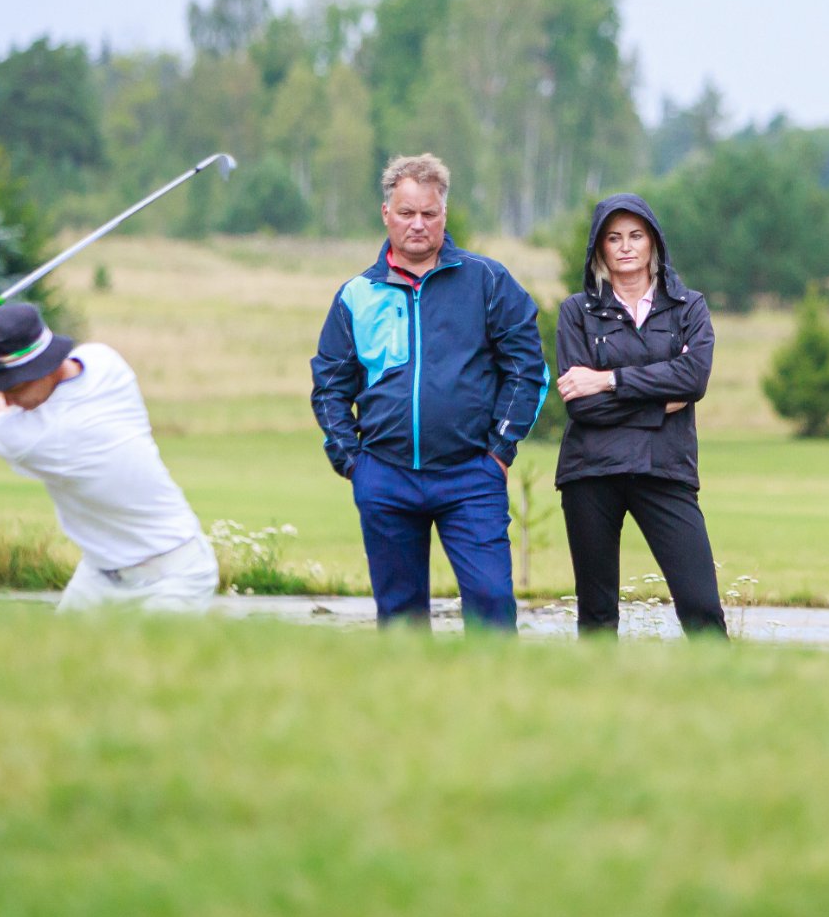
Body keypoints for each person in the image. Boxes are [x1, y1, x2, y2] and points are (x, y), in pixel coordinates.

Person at [310, 153, 549, 632]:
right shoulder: (356, 295)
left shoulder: (489, 281)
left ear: (444, 214)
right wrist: (353, 463)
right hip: (385, 477)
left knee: (492, 602)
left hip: (471, 477)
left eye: (429, 214)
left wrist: (500, 450)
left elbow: (527, 370)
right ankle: (410, 706)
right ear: (386, 214)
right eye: (406, 213)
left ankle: (500, 703)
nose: (417, 224)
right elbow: (330, 387)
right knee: (400, 619)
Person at [0, 300, 219, 612]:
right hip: (99, 575)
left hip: (173, 579)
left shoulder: (40, 439)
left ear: (44, 369)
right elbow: (2, 378)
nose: (6, 396)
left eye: (13, 386)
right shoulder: (104, 362)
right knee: (53, 661)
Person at [554, 193, 727, 638]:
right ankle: (597, 705)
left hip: (665, 468)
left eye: (636, 235)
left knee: (702, 606)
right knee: (596, 613)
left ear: (654, 243)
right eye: (614, 238)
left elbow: (693, 381)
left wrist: (608, 380)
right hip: (591, 471)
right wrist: (660, 400)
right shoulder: (577, 312)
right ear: (599, 248)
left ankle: (730, 700)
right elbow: (582, 404)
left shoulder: (689, 306)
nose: (626, 246)